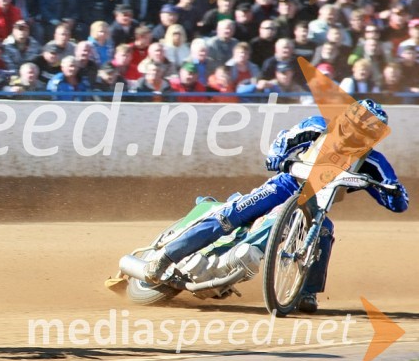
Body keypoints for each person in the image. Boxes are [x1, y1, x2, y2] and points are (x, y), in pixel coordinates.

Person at [143, 99, 409, 313]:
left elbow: (398, 201)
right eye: (359, 126)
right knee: (230, 215)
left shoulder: (374, 161)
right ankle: (165, 257)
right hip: (285, 185)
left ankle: (307, 293)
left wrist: (392, 192)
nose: (360, 134)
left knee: (324, 231)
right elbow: (283, 141)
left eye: (369, 131)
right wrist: (278, 159)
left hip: (318, 202)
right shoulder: (317, 127)